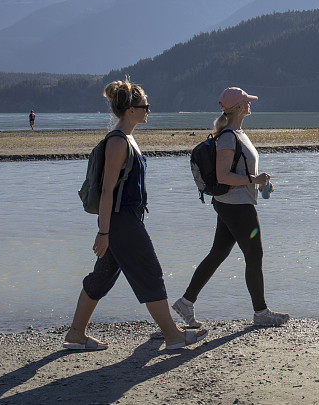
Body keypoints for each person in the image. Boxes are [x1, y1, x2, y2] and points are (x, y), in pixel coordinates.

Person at [63, 78, 207, 350]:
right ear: (131, 110)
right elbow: (107, 191)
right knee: (150, 272)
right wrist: (104, 232)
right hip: (121, 221)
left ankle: (75, 334)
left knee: (102, 278)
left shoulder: (127, 138)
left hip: (123, 220)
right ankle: (173, 335)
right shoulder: (117, 142)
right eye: (145, 106)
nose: (148, 110)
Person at [172, 87, 289, 327]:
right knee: (254, 255)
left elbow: (241, 171)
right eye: (246, 101)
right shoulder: (227, 137)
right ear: (237, 108)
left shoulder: (238, 133)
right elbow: (223, 175)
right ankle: (261, 313)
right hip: (236, 206)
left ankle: (186, 302)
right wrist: (253, 181)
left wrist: (260, 183)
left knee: (218, 253)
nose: (249, 104)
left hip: (232, 204)